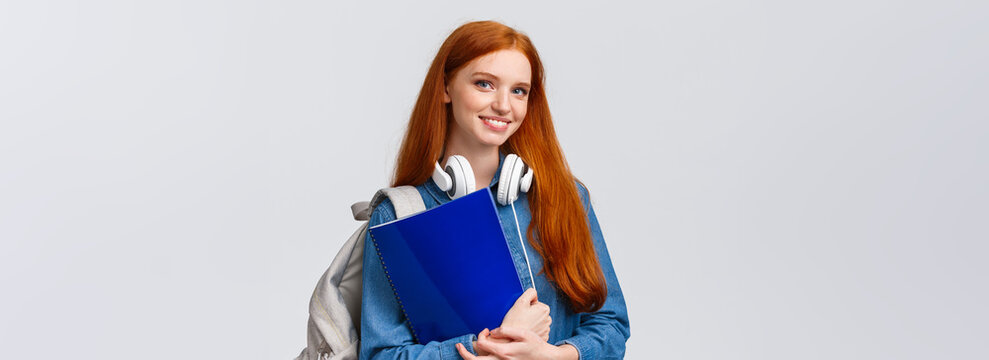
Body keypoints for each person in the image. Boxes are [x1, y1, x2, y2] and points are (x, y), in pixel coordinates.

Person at [360, 20, 630, 359]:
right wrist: (479, 349)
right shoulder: (399, 214)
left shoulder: (566, 197)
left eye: (519, 91)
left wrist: (553, 356)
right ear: (445, 88)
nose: (504, 105)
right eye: (485, 84)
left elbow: (611, 324)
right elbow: (380, 354)